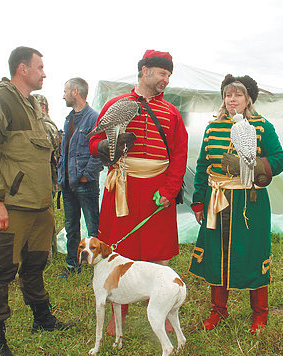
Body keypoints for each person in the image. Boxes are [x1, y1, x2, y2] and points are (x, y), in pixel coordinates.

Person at [0, 46, 74, 355]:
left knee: (35, 266)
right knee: (1, 271)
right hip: (12, 209)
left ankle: (42, 319)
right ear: (22, 68)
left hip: (39, 208)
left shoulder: (29, 105)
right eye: (40, 67)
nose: (44, 73)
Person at [89, 49, 188, 334]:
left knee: (158, 254)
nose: (165, 80)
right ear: (145, 71)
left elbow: (179, 154)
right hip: (123, 187)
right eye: (161, 73)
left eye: (168, 75)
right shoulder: (117, 104)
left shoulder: (170, 113)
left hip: (158, 190)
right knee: (119, 252)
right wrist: (103, 148)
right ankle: (117, 315)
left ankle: (165, 312)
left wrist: (170, 190)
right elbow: (94, 141)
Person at [188, 74, 283, 333]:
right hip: (216, 199)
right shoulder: (211, 128)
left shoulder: (262, 126)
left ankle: (260, 314)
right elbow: (202, 166)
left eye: (238, 95)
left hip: (249, 200)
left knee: (253, 254)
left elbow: (279, 160)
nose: (233, 99)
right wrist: (198, 201)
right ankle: (218, 310)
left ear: (248, 99)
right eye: (228, 95)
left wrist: (250, 166)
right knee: (216, 253)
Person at [57, 78, 102, 278]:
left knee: (93, 228)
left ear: (75, 91)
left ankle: (98, 269)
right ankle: (72, 266)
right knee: (70, 228)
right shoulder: (68, 119)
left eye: (65, 91)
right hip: (68, 184)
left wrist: (86, 176)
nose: (63, 95)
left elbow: (101, 151)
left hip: (85, 184)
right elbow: (65, 152)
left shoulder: (94, 118)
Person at [33, 94, 61, 261]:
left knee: (43, 220)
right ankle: (50, 252)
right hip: (47, 180)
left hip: (45, 181)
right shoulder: (48, 125)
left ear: (42, 107)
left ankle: (47, 255)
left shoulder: (45, 127)